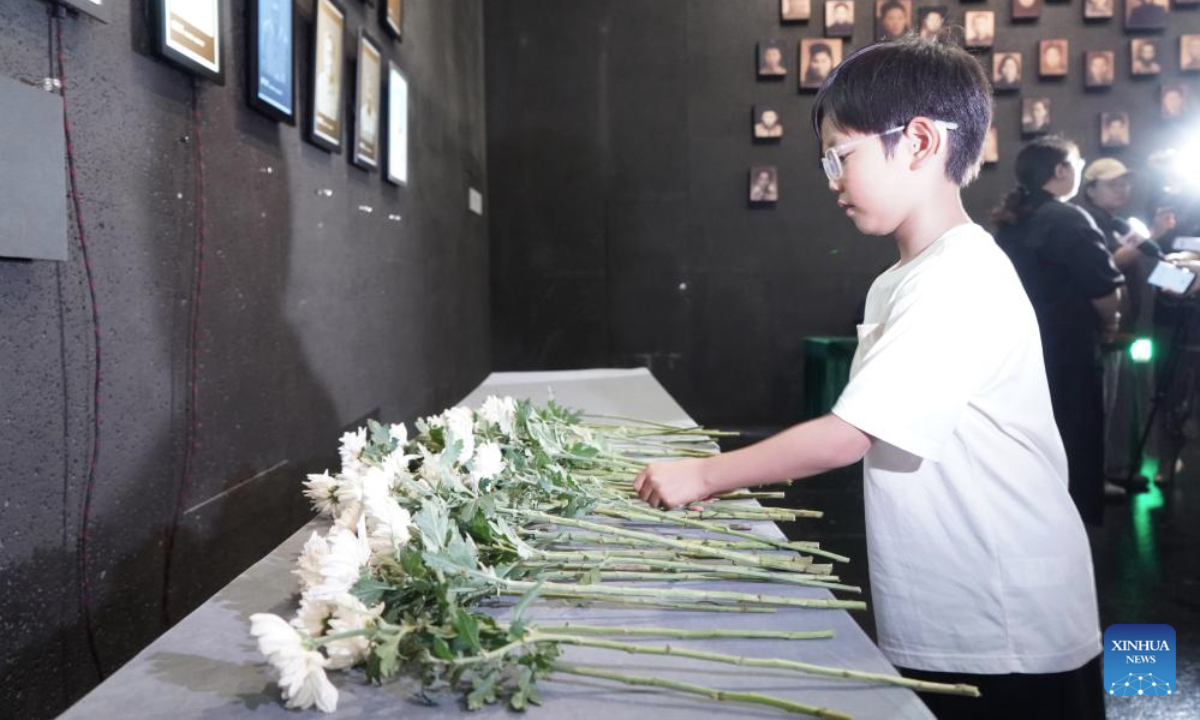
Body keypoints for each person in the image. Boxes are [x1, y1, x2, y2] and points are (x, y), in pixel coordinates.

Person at [636, 37, 1104, 720]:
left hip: (1004, 619)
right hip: (959, 601)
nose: (831, 179)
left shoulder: (958, 276)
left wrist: (704, 476)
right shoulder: (905, 278)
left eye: (840, 156)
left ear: (919, 142)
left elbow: (849, 435)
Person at [992, 136, 1124, 527]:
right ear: (1061, 170)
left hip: (1021, 352)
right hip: (1070, 350)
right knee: (1076, 439)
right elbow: (1104, 291)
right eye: (1077, 164)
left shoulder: (1013, 220)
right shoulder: (1069, 219)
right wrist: (1112, 322)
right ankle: (1073, 526)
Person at [1076, 159, 1177, 491]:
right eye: (1113, 184)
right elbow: (1111, 263)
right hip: (1102, 329)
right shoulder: (1088, 222)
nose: (1122, 190)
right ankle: (1102, 473)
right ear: (1091, 189)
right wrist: (1154, 234)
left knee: (1121, 402)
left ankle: (1116, 467)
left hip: (1124, 328)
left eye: (1125, 183)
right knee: (1104, 404)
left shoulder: (1118, 223)